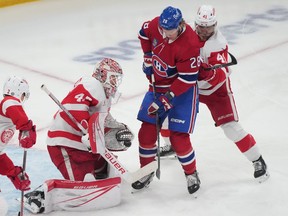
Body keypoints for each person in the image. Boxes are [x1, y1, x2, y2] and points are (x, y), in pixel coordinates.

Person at [159, 5, 269, 183]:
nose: (203, 31)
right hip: (191, 87)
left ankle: (258, 160)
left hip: (216, 91)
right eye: (200, 27)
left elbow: (220, 76)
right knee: (165, 112)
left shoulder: (218, 44)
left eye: (208, 27)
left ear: (215, 25)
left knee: (231, 129)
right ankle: (170, 146)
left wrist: (206, 72)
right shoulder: (186, 33)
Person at [22, 58, 135, 214]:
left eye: (117, 79)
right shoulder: (92, 84)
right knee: (84, 186)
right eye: (113, 77)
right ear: (102, 75)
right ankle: (40, 196)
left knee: (104, 171)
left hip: (83, 145)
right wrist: (88, 131)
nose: (115, 82)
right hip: (65, 145)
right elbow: (72, 108)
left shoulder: (105, 97)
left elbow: (103, 121)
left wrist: (118, 131)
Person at [132, 6, 202, 195]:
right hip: (158, 85)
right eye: (163, 29)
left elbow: (187, 79)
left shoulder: (191, 43)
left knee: (178, 137)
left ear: (180, 25)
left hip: (182, 90)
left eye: (170, 30)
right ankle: (146, 171)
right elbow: (143, 33)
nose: (165, 33)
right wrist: (147, 57)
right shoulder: (157, 24)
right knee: (146, 131)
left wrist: (167, 99)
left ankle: (191, 173)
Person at [0, 75, 36, 191]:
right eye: (23, 95)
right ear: (19, 92)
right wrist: (26, 129)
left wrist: (14, 173)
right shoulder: (8, 102)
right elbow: (12, 106)